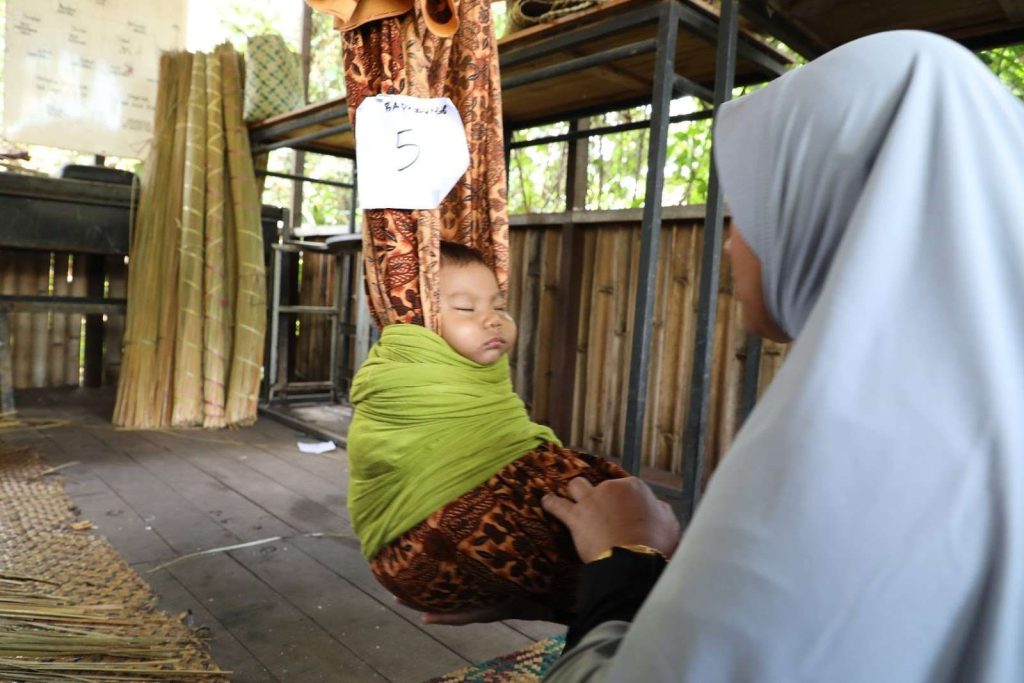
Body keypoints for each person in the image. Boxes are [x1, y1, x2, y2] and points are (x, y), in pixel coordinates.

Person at [441, 30, 1024, 680]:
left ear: (825, 214)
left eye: (746, 211)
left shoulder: (845, 463)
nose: (727, 244)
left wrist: (625, 560)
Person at [347, 241, 627, 617]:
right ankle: (624, 589)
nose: (492, 319)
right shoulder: (402, 375)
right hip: (422, 541)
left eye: (499, 306)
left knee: (609, 490)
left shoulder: (482, 375)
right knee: (605, 498)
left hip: (417, 561)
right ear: (418, 323)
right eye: (467, 308)